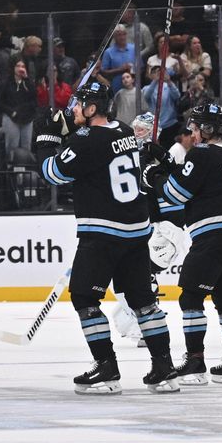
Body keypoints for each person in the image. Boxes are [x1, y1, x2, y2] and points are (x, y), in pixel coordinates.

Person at [36, 79, 181, 394]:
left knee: (85, 298)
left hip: (103, 233)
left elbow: (52, 173)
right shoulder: (125, 132)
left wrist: (45, 139)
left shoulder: (86, 140)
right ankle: (164, 365)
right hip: (135, 231)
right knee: (142, 299)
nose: (73, 109)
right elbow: (93, 149)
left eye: (78, 105)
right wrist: (71, 136)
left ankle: (106, 366)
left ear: (91, 109)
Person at [148, 102, 222, 386]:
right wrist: (164, 159)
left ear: (207, 129)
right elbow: (199, 177)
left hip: (213, 234)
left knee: (191, 298)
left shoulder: (201, 153)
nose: (192, 133)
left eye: (195, 128)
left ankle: (195, 361)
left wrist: (155, 176)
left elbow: (176, 193)